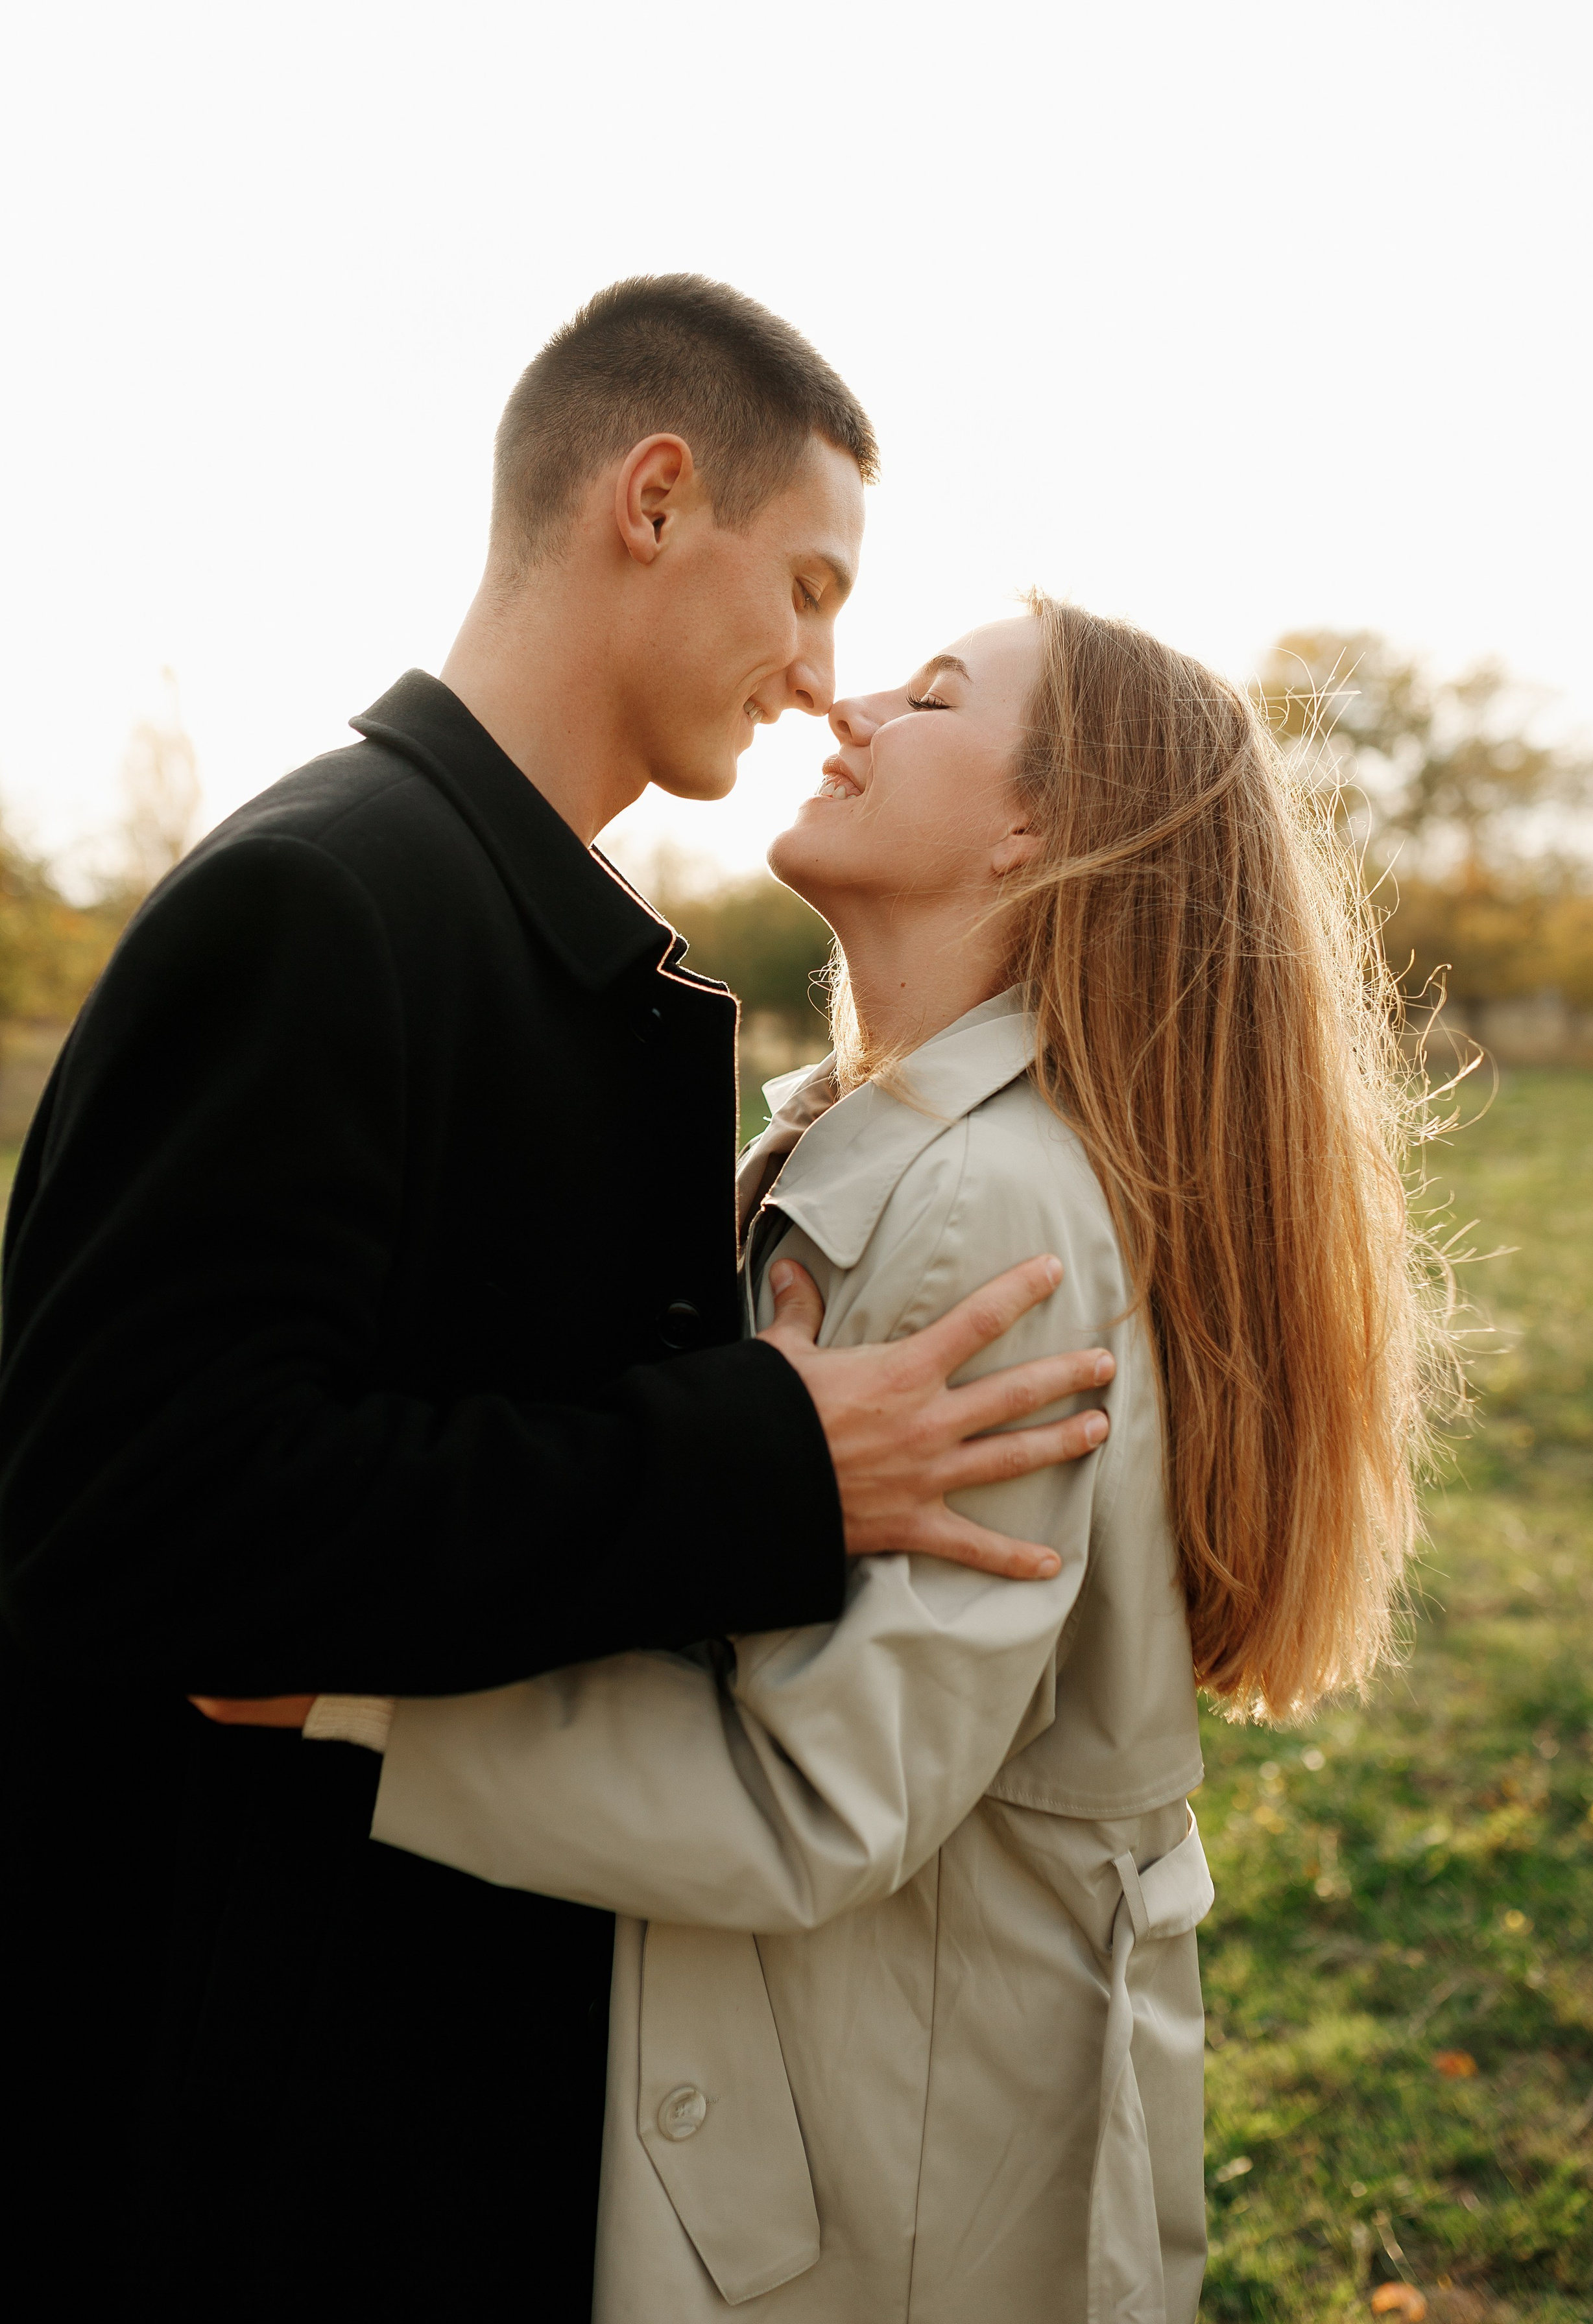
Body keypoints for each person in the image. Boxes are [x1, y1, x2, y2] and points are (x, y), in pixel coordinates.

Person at [0, 281, 1113, 2307]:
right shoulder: (324, 899)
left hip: (425, 2079)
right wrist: (756, 1463)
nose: (819, 676)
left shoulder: (545, 931)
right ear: (656, 498)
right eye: (812, 585)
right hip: (250, 2129)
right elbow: (131, 1527)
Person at [283, 600, 1439, 2321]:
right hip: (853, 2103)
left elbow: (830, 1795)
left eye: (933, 691)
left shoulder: (993, 1201)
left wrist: (339, 1695)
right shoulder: (852, 1134)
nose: (846, 698)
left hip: (897, 2172)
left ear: (1044, 824)